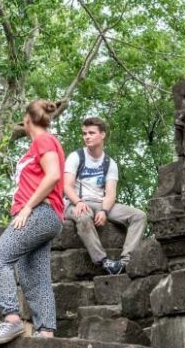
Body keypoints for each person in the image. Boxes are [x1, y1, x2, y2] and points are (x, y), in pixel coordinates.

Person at [0, 100, 66, 344]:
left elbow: (53, 175)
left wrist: (28, 207)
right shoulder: (39, 144)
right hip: (47, 216)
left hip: (39, 212)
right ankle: (46, 334)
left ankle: (12, 320)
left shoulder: (43, 140)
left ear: (27, 120)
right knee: (34, 276)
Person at [63, 117, 147, 275]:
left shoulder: (110, 163)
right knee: (83, 216)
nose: (87, 136)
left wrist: (104, 211)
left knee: (139, 216)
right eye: (84, 133)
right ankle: (104, 261)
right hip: (75, 203)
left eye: (91, 133)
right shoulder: (76, 156)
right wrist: (79, 202)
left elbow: (111, 193)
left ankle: (125, 261)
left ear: (102, 135)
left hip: (100, 203)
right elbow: (66, 186)